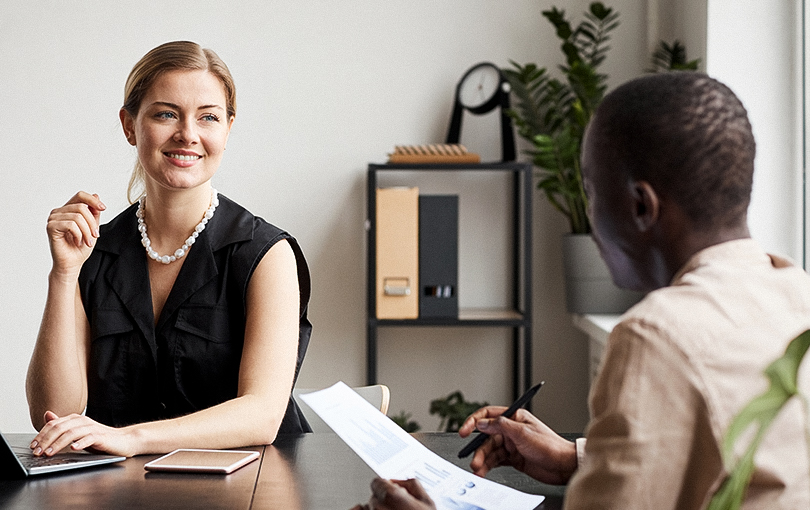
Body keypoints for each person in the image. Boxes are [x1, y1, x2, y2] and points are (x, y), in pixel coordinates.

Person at [353, 72, 810, 509]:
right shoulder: (795, 292)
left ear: (639, 206)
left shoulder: (658, 334)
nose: (589, 215)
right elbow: (743, 463)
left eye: (592, 191)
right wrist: (574, 457)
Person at [25, 41, 312, 458]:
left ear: (228, 130)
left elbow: (262, 414)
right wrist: (64, 274)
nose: (188, 135)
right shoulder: (93, 251)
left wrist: (131, 438)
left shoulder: (266, 254)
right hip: (125, 490)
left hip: (252, 486)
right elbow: (53, 413)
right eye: (166, 114)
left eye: (208, 117)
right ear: (129, 126)